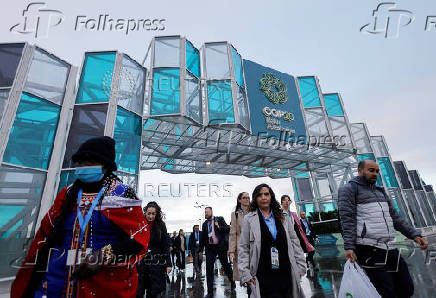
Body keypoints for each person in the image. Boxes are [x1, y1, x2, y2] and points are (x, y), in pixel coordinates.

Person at [11, 136, 150, 298]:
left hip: (103, 286)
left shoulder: (122, 195)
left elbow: (139, 239)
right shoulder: (67, 194)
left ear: (105, 166)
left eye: (90, 162)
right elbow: (46, 238)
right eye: (80, 162)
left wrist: (102, 256)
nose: (83, 167)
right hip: (55, 284)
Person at [338, 160, 428, 298]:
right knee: (386, 291)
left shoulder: (380, 191)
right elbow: (347, 219)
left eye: (377, 171)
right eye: (371, 170)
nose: (375, 174)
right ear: (360, 171)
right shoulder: (349, 189)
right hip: (369, 249)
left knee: (406, 287)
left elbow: (395, 218)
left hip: (390, 247)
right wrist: (350, 246)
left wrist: (414, 235)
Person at [238, 184, 306, 298]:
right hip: (263, 275)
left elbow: (295, 242)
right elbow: (244, 247)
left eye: (266, 194)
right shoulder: (249, 219)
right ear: (255, 198)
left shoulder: (283, 216)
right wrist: (245, 273)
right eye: (260, 195)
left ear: (271, 196)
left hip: (286, 272)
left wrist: (300, 266)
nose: (263, 197)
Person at [136, 202, 172, 298]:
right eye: (149, 213)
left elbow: (165, 245)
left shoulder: (161, 225)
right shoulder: (140, 223)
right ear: (145, 212)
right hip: (141, 262)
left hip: (156, 262)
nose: (151, 216)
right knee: (138, 290)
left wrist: (168, 264)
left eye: (153, 214)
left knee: (153, 291)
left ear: (157, 214)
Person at [200, 206, 235, 297]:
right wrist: (200, 250)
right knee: (209, 270)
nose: (206, 213)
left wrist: (219, 226)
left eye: (207, 212)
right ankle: (210, 292)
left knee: (226, 266)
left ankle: (232, 281)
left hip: (220, 247)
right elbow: (203, 238)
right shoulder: (204, 224)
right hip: (210, 249)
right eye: (205, 212)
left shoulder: (219, 219)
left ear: (211, 212)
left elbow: (228, 228)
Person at [281, 195, 316, 270]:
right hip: (285, 240)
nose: (287, 202)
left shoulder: (293, 215)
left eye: (288, 200)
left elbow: (299, 230)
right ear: (282, 202)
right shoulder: (279, 214)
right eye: (285, 200)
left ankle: (298, 274)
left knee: (298, 258)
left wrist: (307, 243)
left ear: (290, 202)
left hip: (295, 239)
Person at [228, 192, 250, 282]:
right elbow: (233, 233)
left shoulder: (254, 211)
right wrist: (231, 251)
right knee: (245, 273)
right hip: (241, 247)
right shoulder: (235, 214)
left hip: (254, 245)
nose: (247, 199)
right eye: (244, 198)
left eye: (248, 198)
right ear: (239, 200)